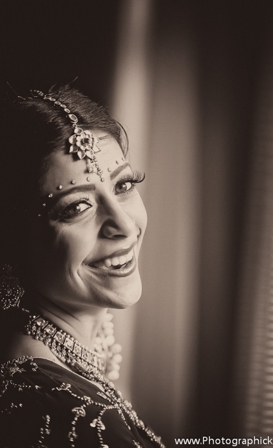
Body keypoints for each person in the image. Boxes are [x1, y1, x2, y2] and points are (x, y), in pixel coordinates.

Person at [0, 84, 165, 447]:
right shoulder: (73, 417)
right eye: (76, 207)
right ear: (12, 241)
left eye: (124, 184)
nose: (123, 225)